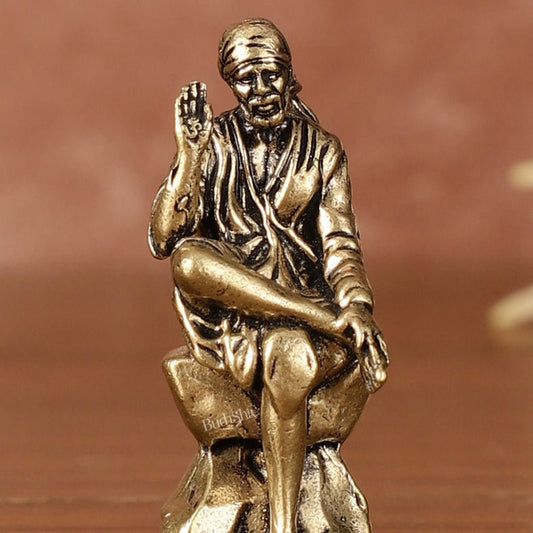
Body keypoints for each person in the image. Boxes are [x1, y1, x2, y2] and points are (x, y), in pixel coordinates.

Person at [149, 18, 388, 533]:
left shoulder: (322, 150)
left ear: (289, 75)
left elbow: (341, 246)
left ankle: (282, 524)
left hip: (303, 319)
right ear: (231, 84)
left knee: (290, 354)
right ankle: (317, 318)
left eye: (271, 74)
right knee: (188, 260)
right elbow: (165, 239)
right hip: (232, 317)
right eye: (245, 78)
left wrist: (356, 307)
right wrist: (189, 156)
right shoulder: (215, 141)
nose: (260, 90)